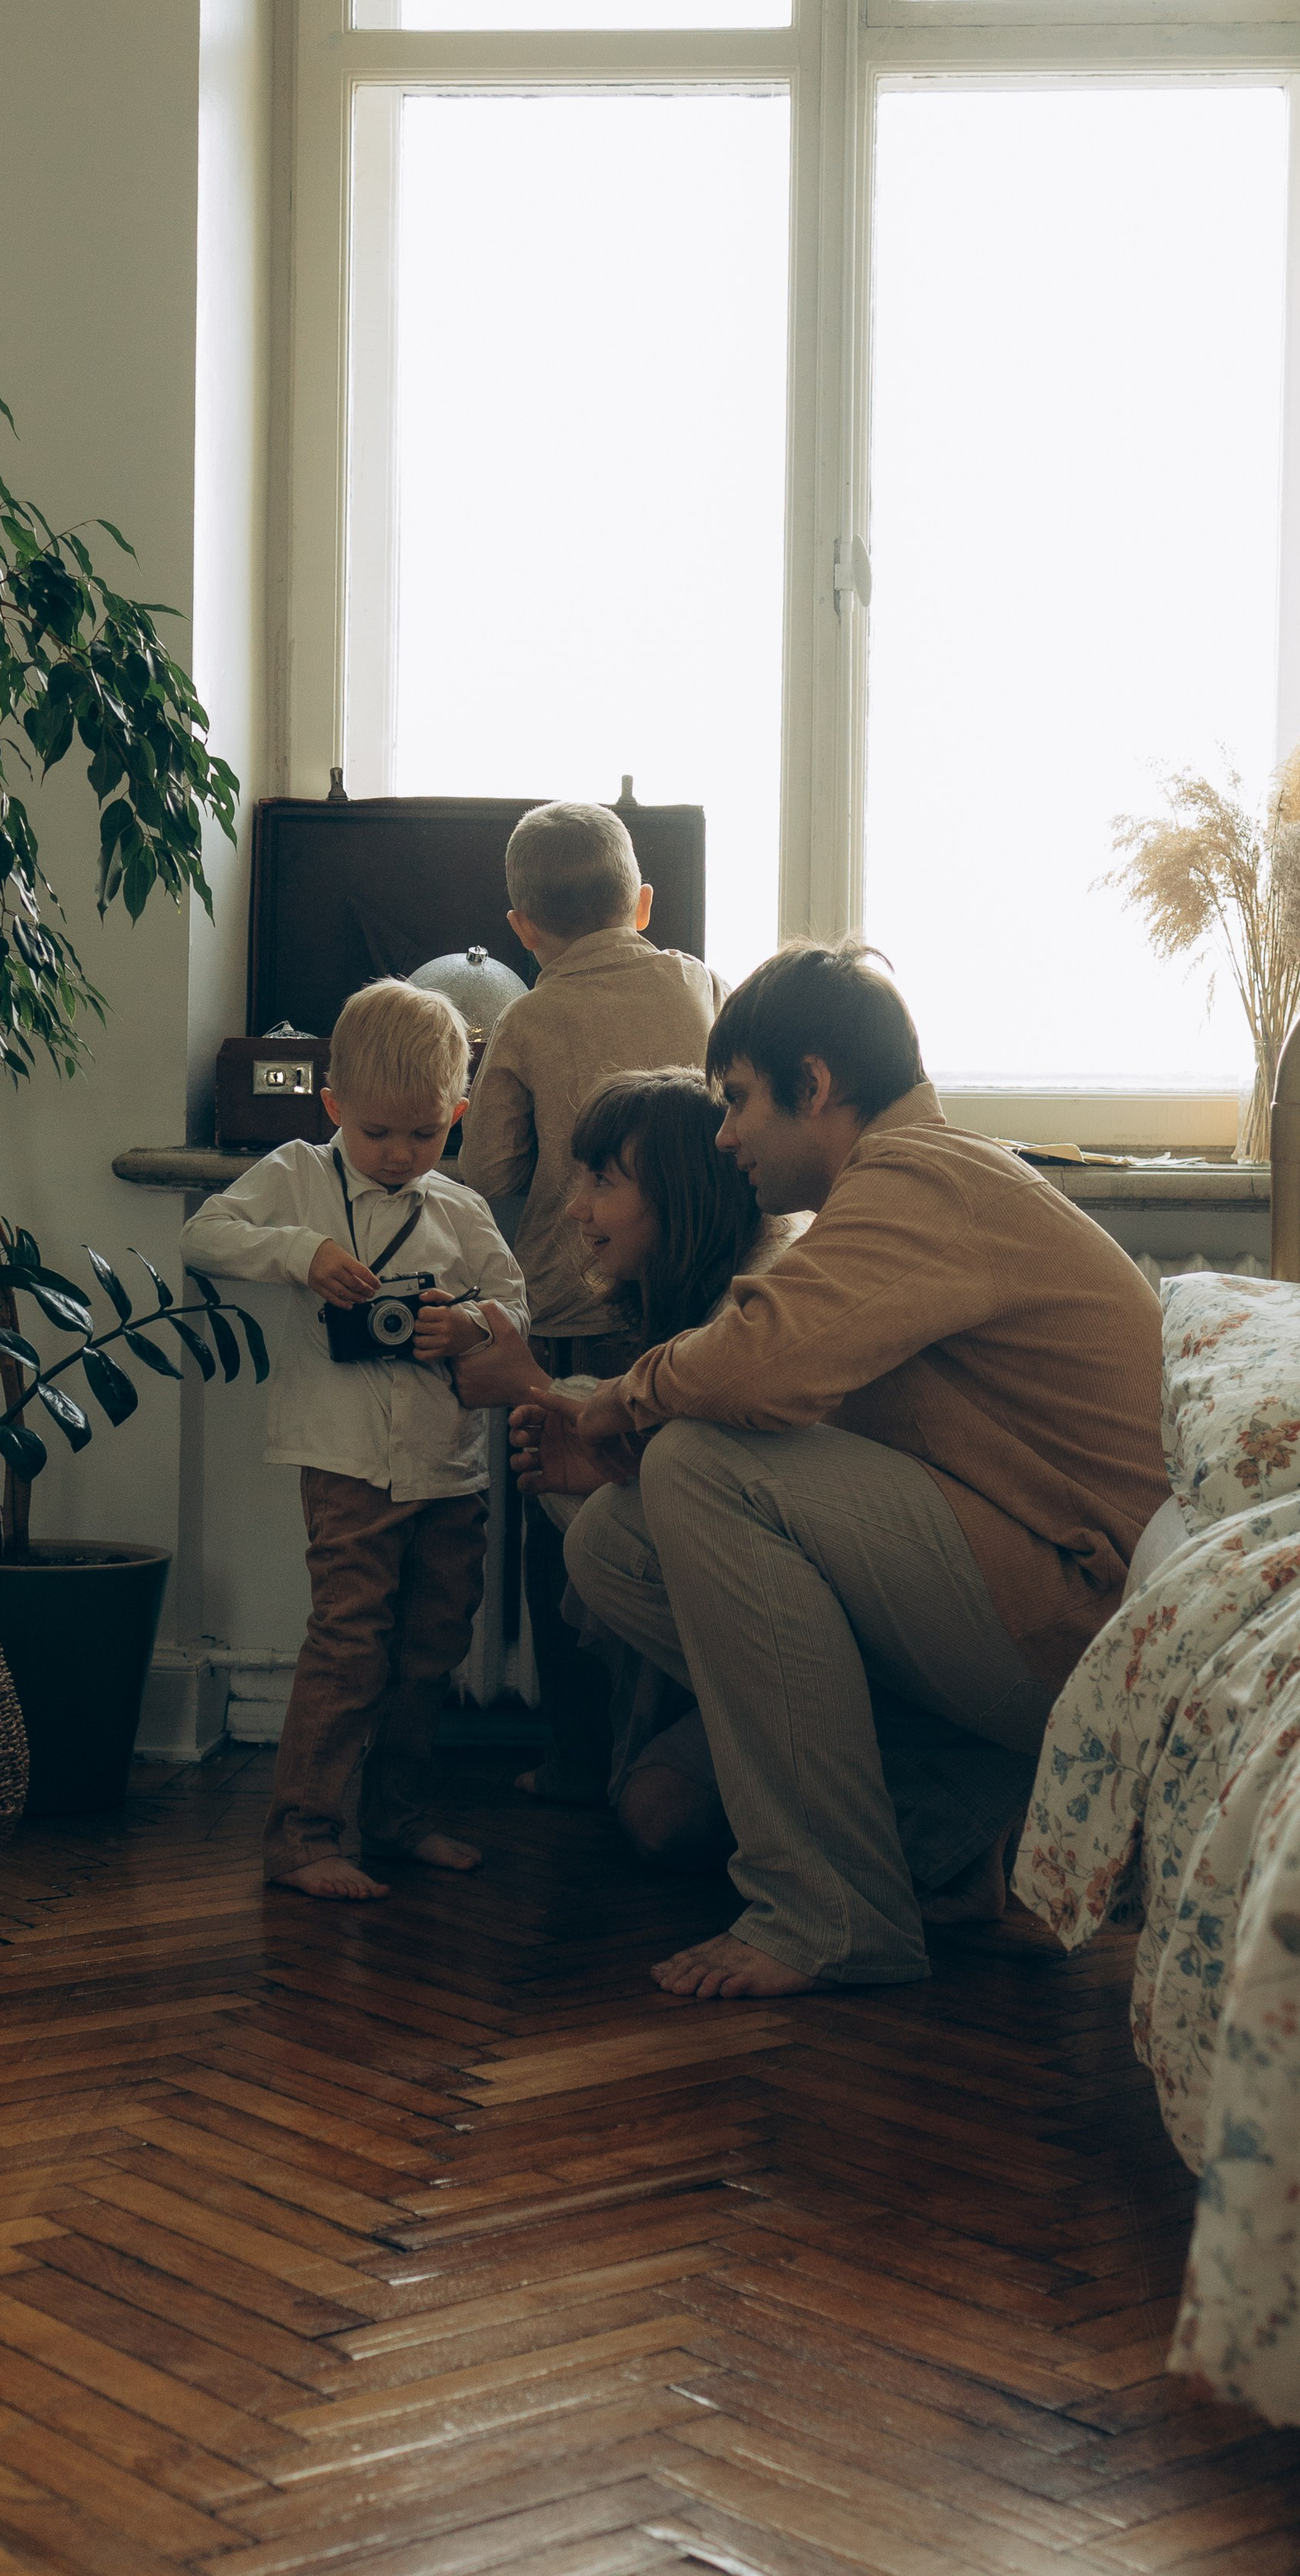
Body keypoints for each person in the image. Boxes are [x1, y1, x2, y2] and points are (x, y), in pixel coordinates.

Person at [511, 942, 1167, 1999]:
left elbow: (759, 1368)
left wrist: (611, 1404)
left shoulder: (922, 1178)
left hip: (1085, 1614)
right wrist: (616, 1450)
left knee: (695, 1466)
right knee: (613, 1543)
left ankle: (828, 1913)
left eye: (735, 1101)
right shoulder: (906, 1191)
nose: (722, 1137)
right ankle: (937, 1845)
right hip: (1035, 1591)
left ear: (812, 1085)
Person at [180, 978, 528, 1899]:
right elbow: (206, 1238)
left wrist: (469, 1328)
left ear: (456, 1116)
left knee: (431, 1645)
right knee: (348, 1643)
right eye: (375, 1133)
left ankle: (397, 1819)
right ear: (335, 1108)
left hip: (448, 1467)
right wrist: (300, 1254)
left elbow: (516, 1308)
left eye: (423, 1134)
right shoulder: (296, 1174)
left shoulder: (461, 1211)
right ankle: (301, 1837)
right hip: (343, 1461)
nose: (397, 1154)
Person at [446, 1064, 792, 1847]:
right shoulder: (685, 1305)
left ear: (681, 1195)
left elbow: (721, 1482)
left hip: (807, 1637)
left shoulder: (746, 1313)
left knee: (661, 1817)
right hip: (747, 1615)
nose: (578, 1208)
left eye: (603, 1181)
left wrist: (532, 1385)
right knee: (655, 1813)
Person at [456, 801, 721, 1800]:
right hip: (688, 1303)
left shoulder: (526, 1014)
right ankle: (678, 1743)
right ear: (641, 903)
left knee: (558, 1526)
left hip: (571, 1307)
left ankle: (572, 1759)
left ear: (521, 929)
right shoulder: (698, 982)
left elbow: (487, 1169)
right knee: (672, 1518)